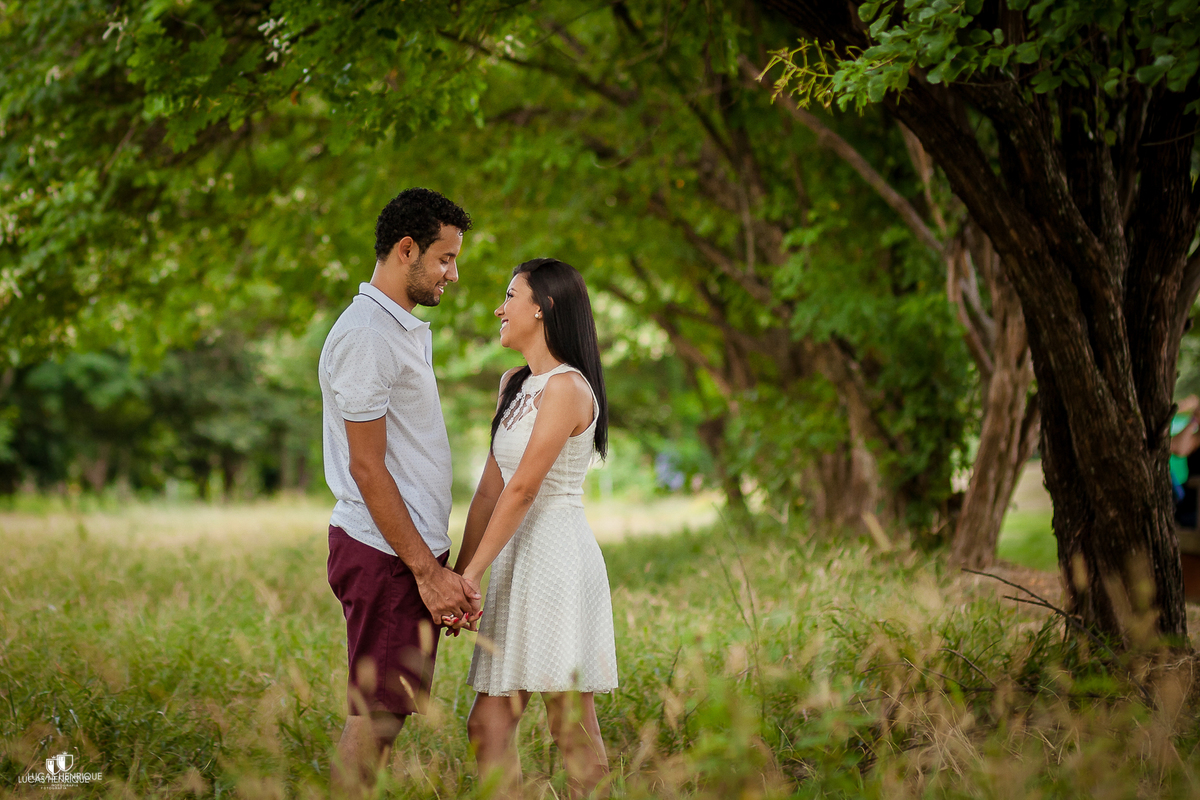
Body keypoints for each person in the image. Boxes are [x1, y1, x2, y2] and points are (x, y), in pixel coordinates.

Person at [319, 187, 481, 796]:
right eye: (445, 258)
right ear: (406, 249)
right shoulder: (367, 336)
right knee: (376, 717)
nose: (453, 274)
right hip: (387, 557)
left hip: (403, 555)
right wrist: (426, 572)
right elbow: (367, 468)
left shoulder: (396, 328)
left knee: (386, 713)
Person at [453, 257, 618, 797]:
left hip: (557, 560)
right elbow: (489, 491)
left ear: (543, 308)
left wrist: (472, 575)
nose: (499, 308)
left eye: (510, 296)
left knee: (568, 724)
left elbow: (524, 490)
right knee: (488, 725)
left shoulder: (568, 388)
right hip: (515, 560)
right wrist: (458, 578)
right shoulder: (513, 383)